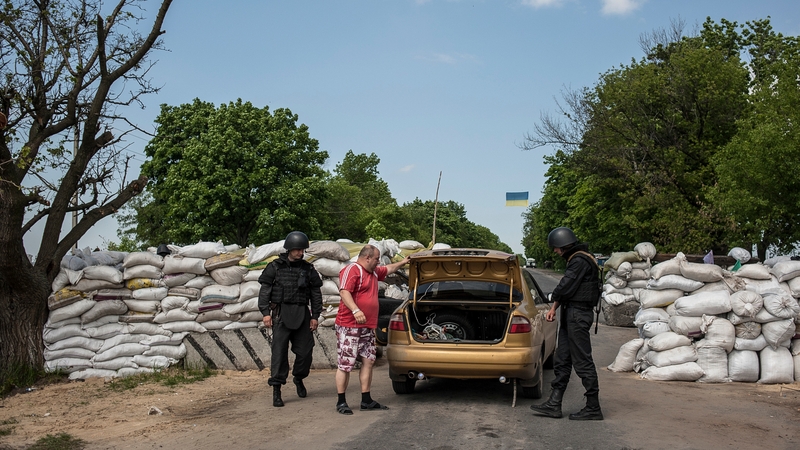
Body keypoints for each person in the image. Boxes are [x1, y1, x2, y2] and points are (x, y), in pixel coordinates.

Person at [530, 227, 603, 420]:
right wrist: (554, 308)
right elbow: (569, 289)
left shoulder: (579, 261)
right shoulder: (578, 259)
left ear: (563, 245)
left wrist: (551, 298)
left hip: (578, 316)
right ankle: (554, 403)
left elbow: (565, 286)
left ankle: (593, 407)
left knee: (582, 361)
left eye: (556, 248)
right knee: (562, 359)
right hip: (571, 313)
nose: (555, 251)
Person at [334, 244, 410, 415]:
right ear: (367, 257)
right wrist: (356, 310)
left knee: (369, 361)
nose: (378, 262)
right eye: (376, 259)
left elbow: (388, 268)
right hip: (349, 325)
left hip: (367, 327)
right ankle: (341, 401)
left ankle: (366, 399)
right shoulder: (352, 270)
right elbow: (345, 292)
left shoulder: (374, 272)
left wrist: (404, 262)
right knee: (346, 364)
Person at [258, 231, 323, 407]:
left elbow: (316, 294)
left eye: (302, 250)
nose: (300, 253)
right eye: (297, 250)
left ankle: (299, 377)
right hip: (280, 314)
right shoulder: (275, 267)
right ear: (289, 249)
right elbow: (265, 291)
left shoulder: (308, 269)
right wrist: (265, 312)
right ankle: (277, 390)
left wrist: (315, 316)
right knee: (279, 354)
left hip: (302, 314)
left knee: (305, 352)